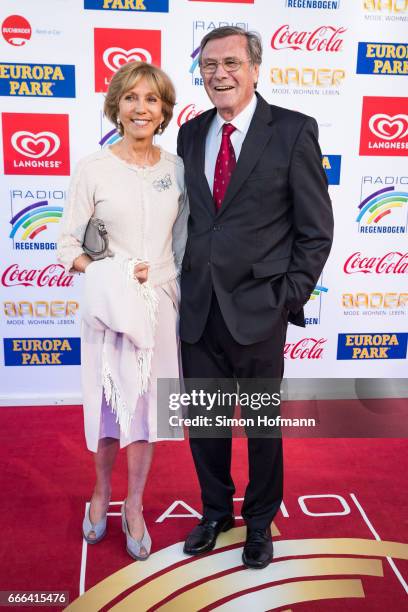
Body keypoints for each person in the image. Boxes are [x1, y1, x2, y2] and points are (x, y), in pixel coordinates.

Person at [177, 26, 333, 569]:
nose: (219, 73)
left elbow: (316, 229)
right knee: (206, 424)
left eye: (231, 63)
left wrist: (287, 296)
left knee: (263, 429)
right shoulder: (191, 134)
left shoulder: (292, 131)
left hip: (260, 309)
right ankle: (216, 511)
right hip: (197, 308)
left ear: (255, 67)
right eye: (209, 64)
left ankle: (260, 522)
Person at [57, 61, 188, 560]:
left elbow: (185, 243)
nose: (140, 108)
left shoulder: (175, 169)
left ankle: (133, 505)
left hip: (161, 307)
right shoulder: (93, 167)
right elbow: (67, 244)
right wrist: (109, 272)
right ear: (116, 106)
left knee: (147, 416)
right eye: (130, 97)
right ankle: (101, 493)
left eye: (151, 99)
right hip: (111, 310)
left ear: (163, 111)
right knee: (111, 413)